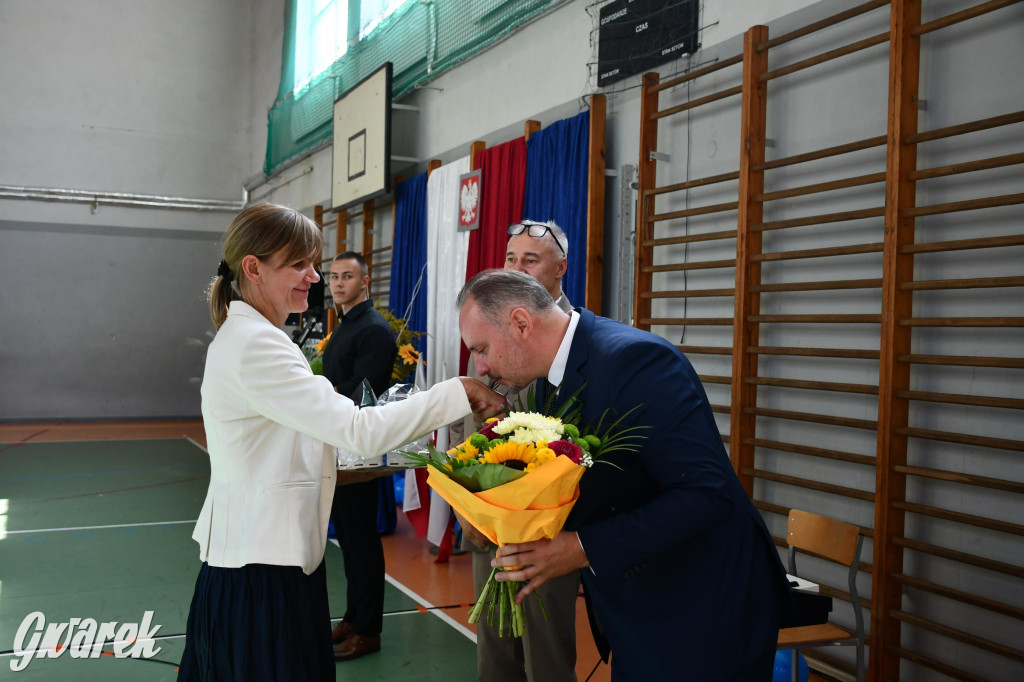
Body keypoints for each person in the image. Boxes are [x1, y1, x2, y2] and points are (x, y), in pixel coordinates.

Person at [178, 203, 504, 682]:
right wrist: (459, 392)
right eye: (299, 264)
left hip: (262, 558)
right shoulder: (257, 344)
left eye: (316, 263)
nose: (314, 276)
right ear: (253, 267)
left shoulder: (252, 336)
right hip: (262, 568)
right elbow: (358, 430)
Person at [456, 269, 790, 681]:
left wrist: (582, 547)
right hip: (643, 600)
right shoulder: (546, 380)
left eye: (482, 348)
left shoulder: (637, 362)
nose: (481, 366)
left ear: (521, 324)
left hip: (704, 604)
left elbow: (708, 494)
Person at [458, 220, 580, 682]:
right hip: (489, 521)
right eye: (511, 258)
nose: (517, 268)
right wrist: (464, 503)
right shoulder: (491, 328)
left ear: (560, 269)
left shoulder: (579, 342)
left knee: (546, 657)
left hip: (546, 530)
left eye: (531, 260)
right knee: (494, 656)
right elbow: (472, 425)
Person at [322, 252, 395, 662]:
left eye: (346, 276)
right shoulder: (346, 326)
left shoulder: (374, 330)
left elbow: (361, 390)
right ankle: (353, 616)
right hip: (337, 442)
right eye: (333, 276)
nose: (337, 283)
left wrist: (318, 396)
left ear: (364, 282)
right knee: (347, 538)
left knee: (362, 541)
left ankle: (369, 630)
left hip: (358, 450)